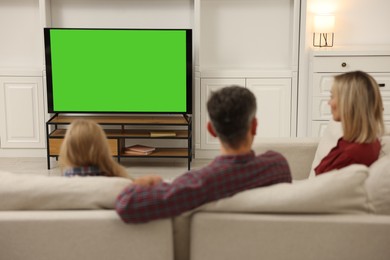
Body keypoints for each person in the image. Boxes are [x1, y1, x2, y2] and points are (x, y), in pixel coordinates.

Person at [116, 86, 292, 223]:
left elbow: (126, 205)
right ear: (254, 125)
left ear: (211, 130)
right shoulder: (278, 166)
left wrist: (141, 182)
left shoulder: (199, 183)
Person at [315, 71, 385, 175]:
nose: (329, 103)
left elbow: (322, 187)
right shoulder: (355, 143)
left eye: (332, 96)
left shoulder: (352, 154)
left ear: (348, 103)